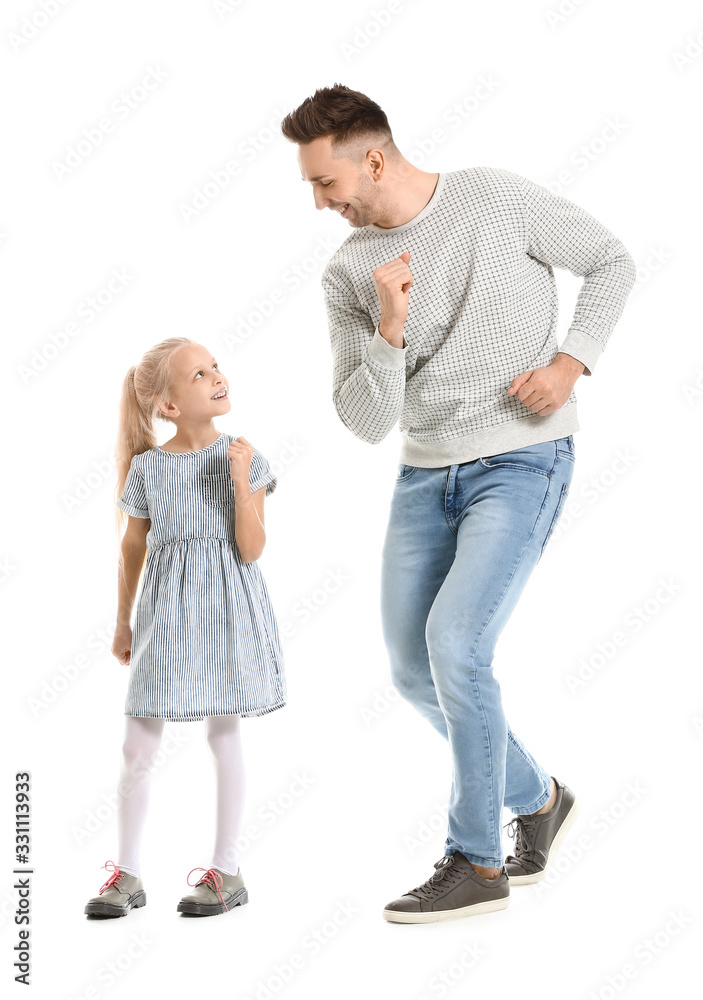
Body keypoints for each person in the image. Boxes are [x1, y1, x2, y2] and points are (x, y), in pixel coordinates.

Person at [280, 84, 636, 923]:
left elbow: (611, 260)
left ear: (371, 159)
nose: (319, 203)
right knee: (413, 671)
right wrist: (389, 328)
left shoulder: (492, 197)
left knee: (454, 646)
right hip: (421, 475)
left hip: (519, 460)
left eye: (324, 184)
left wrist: (570, 362)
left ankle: (476, 863)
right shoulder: (349, 271)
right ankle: (539, 799)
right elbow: (365, 421)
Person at [84, 338, 285, 919]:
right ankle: (127, 874)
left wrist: (243, 479)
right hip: (165, 618)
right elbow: (132, 546)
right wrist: (122, 622)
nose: (218, 377)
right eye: (200, 374)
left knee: (223, 736)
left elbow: (251, 550)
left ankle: (226, 870)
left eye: (216, 366)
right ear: (168, 405)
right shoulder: (148, 470)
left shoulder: (245, 456)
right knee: (137, 742)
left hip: (228, 610)